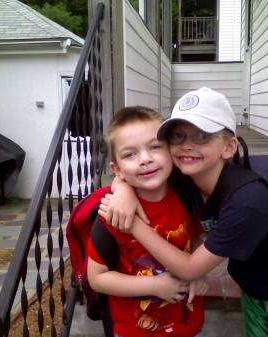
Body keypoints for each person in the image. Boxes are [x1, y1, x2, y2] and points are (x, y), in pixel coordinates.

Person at [100, 87, 268, 337]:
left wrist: (134, 225)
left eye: (201, 136)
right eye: (178, 136)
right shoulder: (187, 176)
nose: (186, 146)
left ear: (228, 148)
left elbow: (189, 269)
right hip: (252, 282)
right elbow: (132, 174)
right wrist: (121, 188)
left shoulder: (248, 202)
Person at [86, 106, 206, 337]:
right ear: (116, 169)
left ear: (171, 151)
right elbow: (97, 278)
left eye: (154, 147)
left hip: (189, 325)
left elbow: (198, 238)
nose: (145, 159)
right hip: (135, 330)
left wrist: (200, 273)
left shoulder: (186, 195)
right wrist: (154, 286)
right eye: (130, 154)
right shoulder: (112, 214)